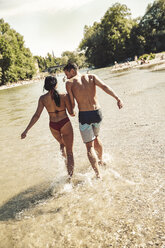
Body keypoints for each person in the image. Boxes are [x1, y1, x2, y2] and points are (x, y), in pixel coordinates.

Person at [63, 63, 123, 179]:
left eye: (67, 74)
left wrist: (71, 112)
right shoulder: (92, 77)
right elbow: (105, 87)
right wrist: (117, 98)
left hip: (85, 115)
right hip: (97, 113)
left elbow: (72, 104)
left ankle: (98, 174)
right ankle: (101, 161)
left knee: (89, 147)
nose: (67, 77)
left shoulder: (69, 83)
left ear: (72, 71)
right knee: (96, 137)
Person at [21, 76, 75, 178]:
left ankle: (65, 169)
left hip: (53, 126)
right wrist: (72, 101)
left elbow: (37, 115)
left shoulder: (42, 99)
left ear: (45, 86)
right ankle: (70, 178)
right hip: (64, 123)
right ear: (56, 84)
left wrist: (26, 130)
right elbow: (72, 113)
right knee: (70, 152)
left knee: (62, 144)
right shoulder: (63, 95)